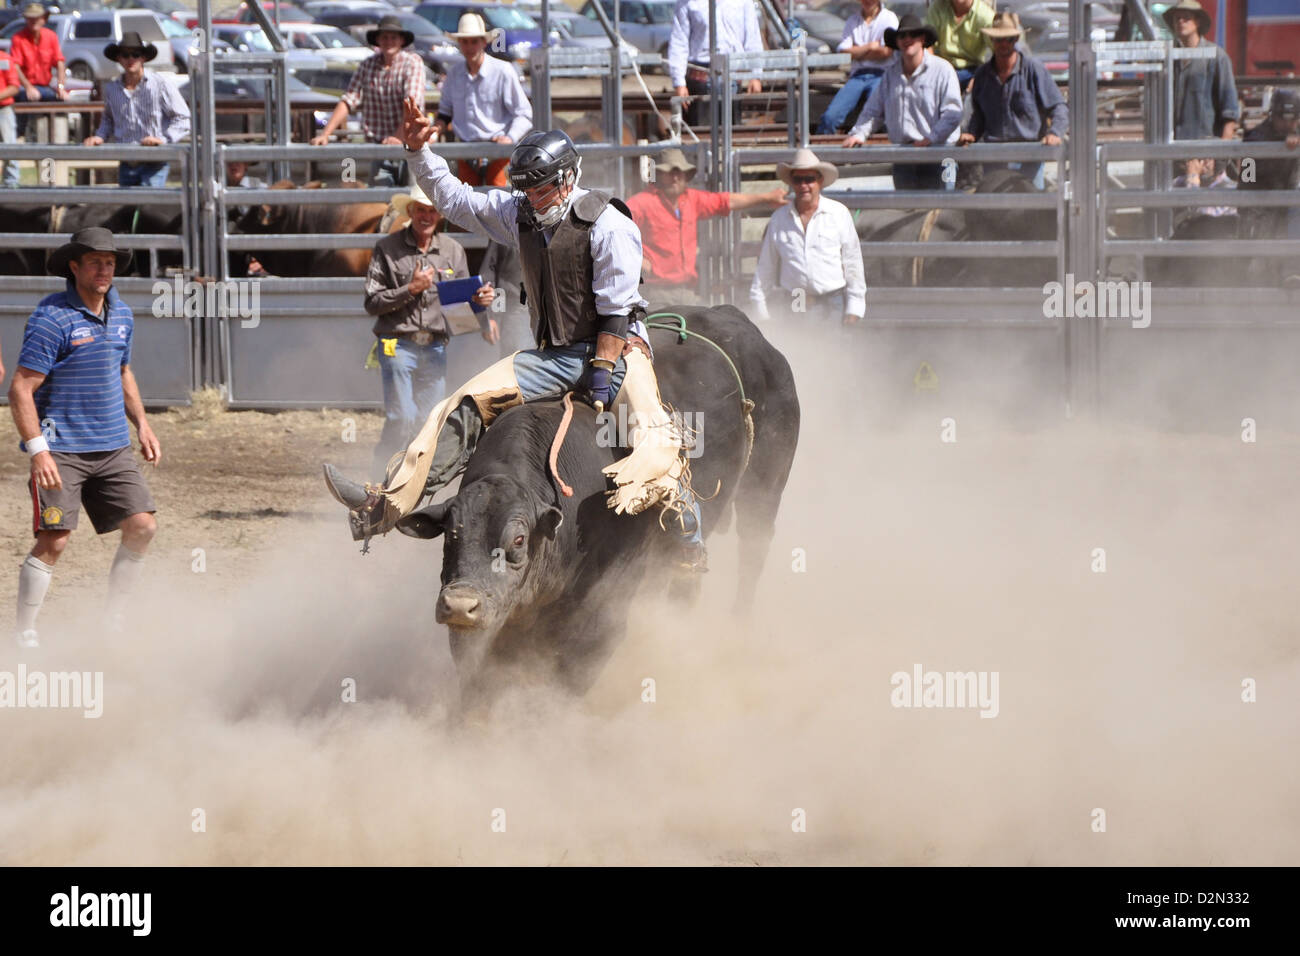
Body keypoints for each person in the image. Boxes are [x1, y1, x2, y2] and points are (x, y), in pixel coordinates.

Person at [323, 99, 709, 573]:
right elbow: (456, 199)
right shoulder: (521, 213)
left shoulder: (611, 225)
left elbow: (615, 312)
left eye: (539, 189)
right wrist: (419, 152)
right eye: (523, 190)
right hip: (553, 355)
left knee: (652, 441)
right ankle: (385, 504)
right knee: (461, 406)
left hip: (619, 347)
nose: (529, 199)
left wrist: (604, 371)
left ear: (567, 180)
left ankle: (690, 536)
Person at [8, 227, 160, 648]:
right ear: (73, 266)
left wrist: (142, 424)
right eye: (95, 261)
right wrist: (38, 450)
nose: (104, 269)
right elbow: (21, 386)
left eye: (110, 262)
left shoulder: (123, 316)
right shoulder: (51, 317)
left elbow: (123, 372)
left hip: (113, 447)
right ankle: (25, 634)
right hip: (62, 450)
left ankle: (114, 619)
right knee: (54, 540)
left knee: (143, 527)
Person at [365, 181, 498, 473]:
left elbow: (462, 308)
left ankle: (410, 478)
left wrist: (481, 305)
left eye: (432, 211)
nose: (426, 216)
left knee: (429, 421)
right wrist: (410, 289)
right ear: (410, 211)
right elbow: (372, 302)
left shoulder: (453, 250)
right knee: (403, 416)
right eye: (421, 210)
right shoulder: (386, 248)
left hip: (436, 346)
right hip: (395, 342)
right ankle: (382, 471)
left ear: (440, 215)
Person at [626, 147, 786, 303]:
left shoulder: (691, 199)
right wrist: (638, 259)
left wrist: (767, 197)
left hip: (687, 291)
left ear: (685, 175)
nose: (675, 177)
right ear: (659, 174)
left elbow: (726, 201)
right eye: (670, 172)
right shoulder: (641, 203)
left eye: (679, 172)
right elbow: (617, 231)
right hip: (654, 293)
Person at [842, 14, 962, 190]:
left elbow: (953, 113)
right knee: (905, 210)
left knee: (938, 211)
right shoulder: (890, 75)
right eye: (902, 36)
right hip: (904, 156)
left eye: (912, 35)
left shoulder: (943, 70)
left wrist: (931, 138)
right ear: (897, 42)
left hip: (939, 154)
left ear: (922, 39)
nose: (907, 39)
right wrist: (858, 134)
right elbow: (873, 111)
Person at [749, 148, 865, 325]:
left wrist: (855, 305)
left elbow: (852, 260)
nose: (804, 185)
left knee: (833, 347)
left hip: (831, 298)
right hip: (797, 297)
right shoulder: (779, 219)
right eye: (798, 180)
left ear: (819, 181)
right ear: (792, 183)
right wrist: (759, 306)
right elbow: (766, 264)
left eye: (809, 179)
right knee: (800, 344)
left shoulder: (838, 213)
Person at [310, 14, 425, 186]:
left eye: (393, 37)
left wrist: (397, 137)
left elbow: (412, 105)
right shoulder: (367, 65)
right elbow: (349, 100)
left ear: (401, 40)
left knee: (415, 201)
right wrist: (326, 134)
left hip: (411, 145)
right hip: (379, 147)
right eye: (384, 37)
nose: (389, 41)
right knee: (380, 201)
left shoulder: (412, 62)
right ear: (378, 40)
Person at [958, 11, 1068, 190]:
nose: (1003, 44)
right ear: (992, 41)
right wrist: (971, 133)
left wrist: (1055, 132)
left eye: (1008, 39)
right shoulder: (983, 75)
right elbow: (978, 115)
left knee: (1029, 210)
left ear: (1015, 40)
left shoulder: (1033, 70)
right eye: (998, 39)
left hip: (1029, 155)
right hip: (994, 158)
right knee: (996, 211)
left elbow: (1059, 107)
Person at [430, 13, 533, 188]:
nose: (469, 47)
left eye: (474, 41)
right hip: (465, 151)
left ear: (483, 43)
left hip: (497, 151)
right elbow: (445, 112)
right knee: (467, 205)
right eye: (465, 42)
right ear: (459, 44)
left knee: (499, 201)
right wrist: (435, 129)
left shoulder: (503, 71)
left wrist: (510, 137)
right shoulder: (454, 74)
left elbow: (524, 113)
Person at [83, 32, 191, 188]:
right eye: (125, 55)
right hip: (127, 161)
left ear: (143, 58)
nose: (130, 59)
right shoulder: (112, 89)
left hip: (154, 161)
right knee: (128, 209)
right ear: (119, 59)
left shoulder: (160, 84)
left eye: (135, 54)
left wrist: (163, 139)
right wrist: (100, 137)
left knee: (147, 207)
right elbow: (108, 119)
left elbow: (183, 117)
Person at [668, 0, 764, 128]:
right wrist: (679, 82)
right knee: (702, 133)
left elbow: (752, 38)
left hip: (732, 74)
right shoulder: (688, 3)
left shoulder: (743, 2)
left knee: (732, 132)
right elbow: (679, 41)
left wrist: (756, 75)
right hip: (700, 76)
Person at [1239, 90, 1300, 283]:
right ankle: (1290, 270)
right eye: (1283, 119)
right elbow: (1246, 181)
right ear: (1273, 115)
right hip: (1261, 206)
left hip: (1288, 205)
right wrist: (1281, 148)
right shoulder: (1254, 139)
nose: (1288, 124)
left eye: (1293, 119)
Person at [816, 0, 898, 136]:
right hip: (858, 75)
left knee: (881, 115)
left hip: (882, 74)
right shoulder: (852, 21)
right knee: (830, 117)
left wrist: (856, 52)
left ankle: (888, 152)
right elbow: (844, 52)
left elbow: (885, 53)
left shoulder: (889, 17)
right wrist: (870, 46)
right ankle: (822, 151)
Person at [1163, 0, 1238, 141]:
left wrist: (1220, 149)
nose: (1180, 21)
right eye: (1177, 18)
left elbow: (1230, 107)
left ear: (1197, 22)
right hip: (1172, 146)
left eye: (1186, 17)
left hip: (1205, 146)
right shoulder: (1167, 58)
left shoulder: (1216, 56)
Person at [925, 0, 993, 90]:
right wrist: (932, 71)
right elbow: (927, 44)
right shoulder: (937, 9)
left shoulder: (985, 15)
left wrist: (981, 77)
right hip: (942, 68)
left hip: (972, 72)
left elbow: (998, 49)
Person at [0, 41, 20, 188]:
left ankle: (11, 182)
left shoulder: (4, 60)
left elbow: (14, 87)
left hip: (3, 109)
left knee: (9, 144)